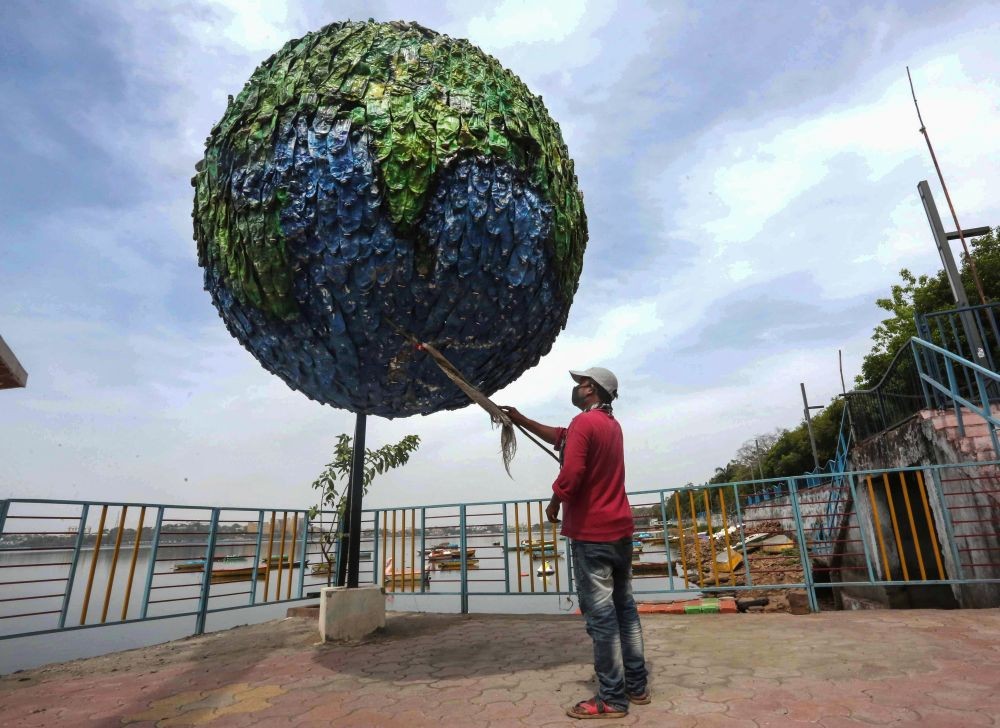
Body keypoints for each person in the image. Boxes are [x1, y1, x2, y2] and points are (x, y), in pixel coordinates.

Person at [501, 367, 648, 720]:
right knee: (625, 609)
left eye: (581, 384)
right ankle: (637, 685)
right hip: (620, 530)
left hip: (592, 532)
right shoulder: (610, 425)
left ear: (592, 390)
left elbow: (572, 471)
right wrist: (521, 419)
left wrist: (555, 501)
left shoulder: (584, 423)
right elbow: (561, 437)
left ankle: (611, 698)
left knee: (601, 617)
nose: (576, 388)